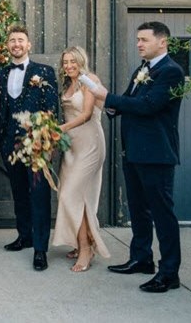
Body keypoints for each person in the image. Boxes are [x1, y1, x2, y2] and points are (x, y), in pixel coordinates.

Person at [89, 21, 184, 293]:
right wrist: (105, 104)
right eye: (138, 39)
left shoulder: (171, 72)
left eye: (144, 39)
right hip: (134, 152)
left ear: (162, 41)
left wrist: (108, 97)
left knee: (162, 214)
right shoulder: (142, 69)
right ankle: (141, 258)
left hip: (156, 154)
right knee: (138, 210)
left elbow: (148, 106)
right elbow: (127, 103)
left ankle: (169, 273)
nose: (139, 44)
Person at [0, 24, 58, 271]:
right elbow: (1, 107)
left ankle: (40, 249)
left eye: (20, 40)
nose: (16, 44)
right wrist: (1, 137)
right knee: (19, 192)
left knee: (39, 195)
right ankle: (24, 236)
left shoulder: (44, 71)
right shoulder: (1, 73)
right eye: (12, 41)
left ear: (29, 45)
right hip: (9, 142)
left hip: (36, 142)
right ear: (8, 46)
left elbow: (51, 107)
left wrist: (46, 140)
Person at [51, 46, 111, 272]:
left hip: (90, 144)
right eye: (65, 62)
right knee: (74, 195)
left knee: (70, 194)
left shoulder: (89, 80)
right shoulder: (68, 84)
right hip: (71, 147)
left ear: (81, 61)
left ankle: (86, 248)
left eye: (72, 62)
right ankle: (82, 242)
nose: (68, 66)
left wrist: (60, 129)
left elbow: (86, 115)